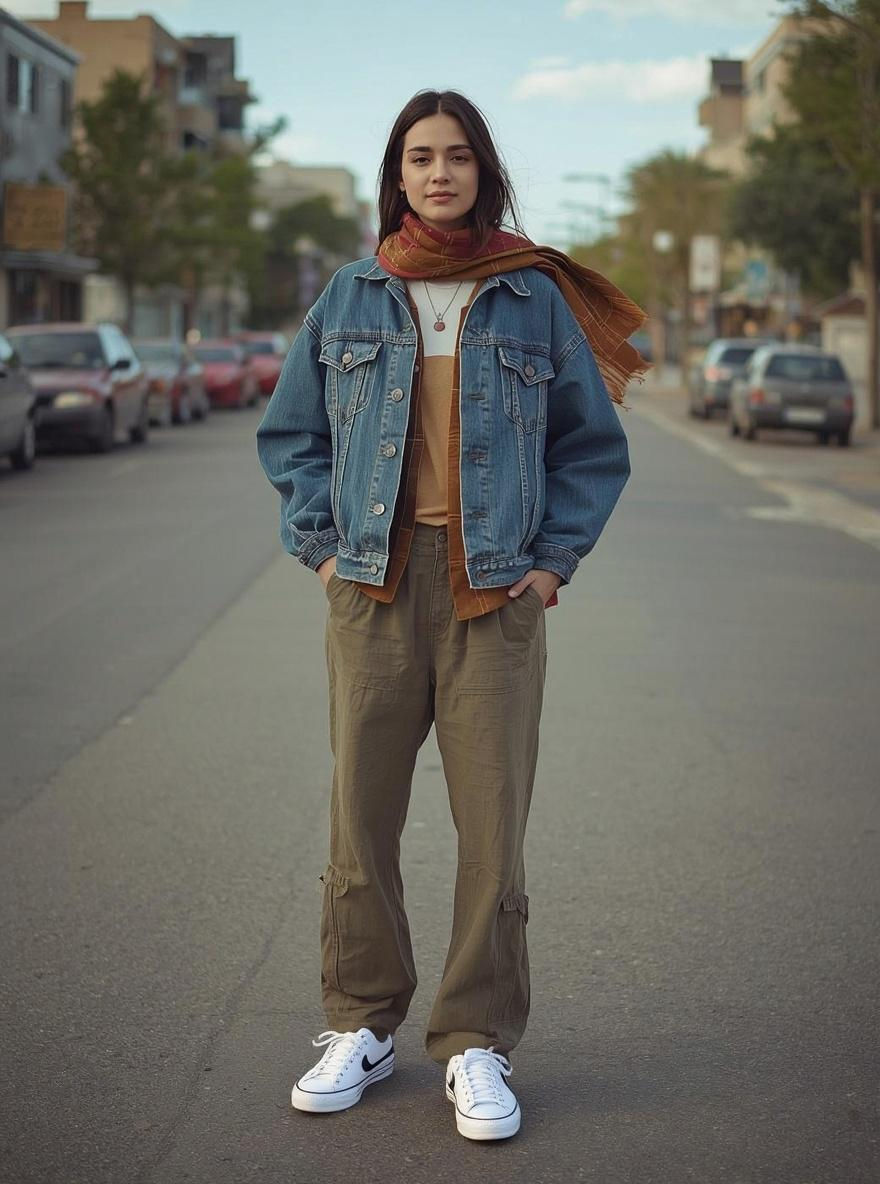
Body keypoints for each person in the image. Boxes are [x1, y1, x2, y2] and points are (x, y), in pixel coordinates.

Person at [256, 89, 647, 1142]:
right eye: (421, 156)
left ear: (482, 172)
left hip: (493, 591)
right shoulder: (348, 296)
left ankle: (475, 1040)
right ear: (398, 171)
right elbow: (291, 435)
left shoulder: (529, 299)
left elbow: (590, 446)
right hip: (375, 588)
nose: (439, 173)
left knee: (491, 832)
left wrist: (552, 563)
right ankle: (361, 1020)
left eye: (458, 157)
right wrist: (325, 546)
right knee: (361, 820)